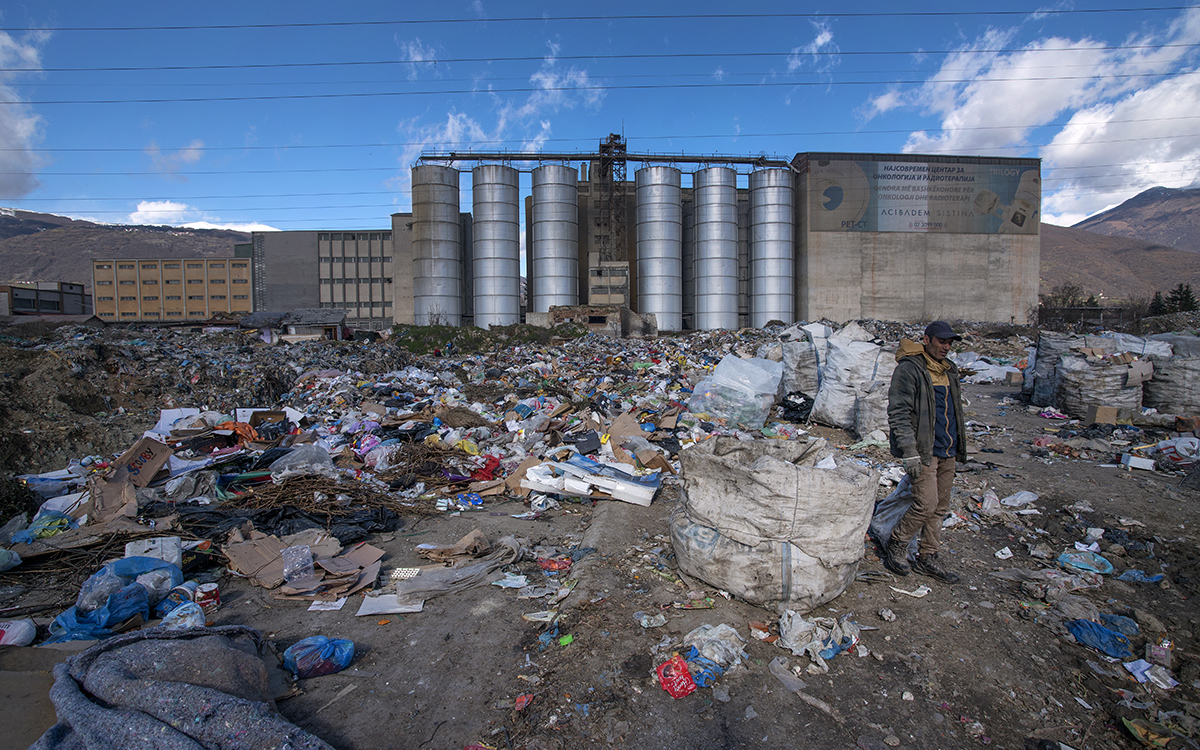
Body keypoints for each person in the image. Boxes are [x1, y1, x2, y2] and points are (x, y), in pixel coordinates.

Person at [883, 321, 968, 584]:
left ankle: (928, 555)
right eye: (941, 341)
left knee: (940, 507)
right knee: (925, 503)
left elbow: (953, 412)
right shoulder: (910, 369)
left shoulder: (949, 370)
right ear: (927, 340)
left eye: (949, 343)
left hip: (948, 448)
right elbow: (898, 412)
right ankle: (896, 544)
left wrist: (958, 446)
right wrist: (909, 451)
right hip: (924, 450)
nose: (946, 347)